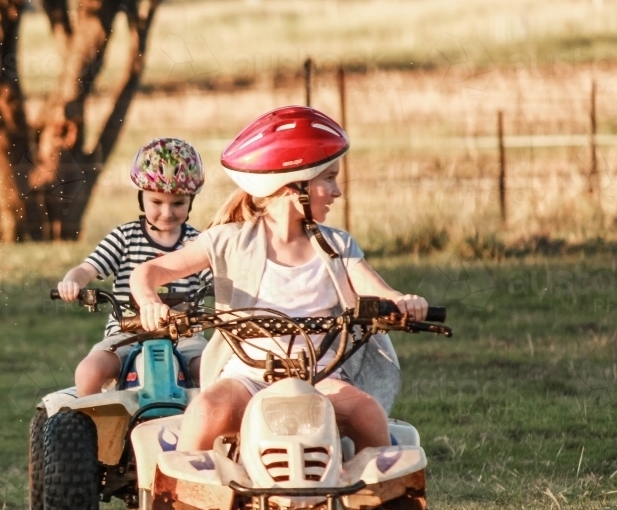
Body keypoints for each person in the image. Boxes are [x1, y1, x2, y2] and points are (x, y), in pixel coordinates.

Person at [129, 106, 428, 452]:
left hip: (320, 377)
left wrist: (402, 302)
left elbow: (378, 290)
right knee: (205, 411)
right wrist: (150, 301)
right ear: (291, 186)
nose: (337, 191)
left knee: (367, 414)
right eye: (328, 178)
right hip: (248, 376)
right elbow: (148, 271)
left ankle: (384, 502)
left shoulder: (337, 246)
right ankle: (181, 502)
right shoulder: (228, 240)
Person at [57, 138, 212, 397]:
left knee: (215, 370)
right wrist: (72, 281)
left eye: (178, 203)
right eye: (157, 202)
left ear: (191, 201)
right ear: (141, 198)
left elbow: (220, 279)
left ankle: (215, 432)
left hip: (186, 338)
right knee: (89, 371)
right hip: (126, 333)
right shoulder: (125, 237)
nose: (167, 212)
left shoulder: (197, 243)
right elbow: (86, 269)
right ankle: (93, 432)